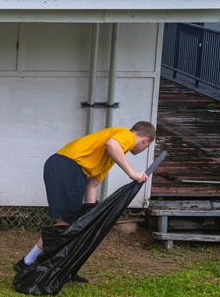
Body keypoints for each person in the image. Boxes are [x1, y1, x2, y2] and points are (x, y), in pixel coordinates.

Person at [15, 120, 156, 280]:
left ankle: (62, 268)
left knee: (72, 222)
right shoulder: (126, 136)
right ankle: (27, 262)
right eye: (147, 147)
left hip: (63, 166)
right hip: (69, 167)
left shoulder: (111, 156)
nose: (144, 149)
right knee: (67, 223)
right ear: (146, 140)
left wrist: (90, 213)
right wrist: (132, 173)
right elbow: (112, 144)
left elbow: (92, 185)